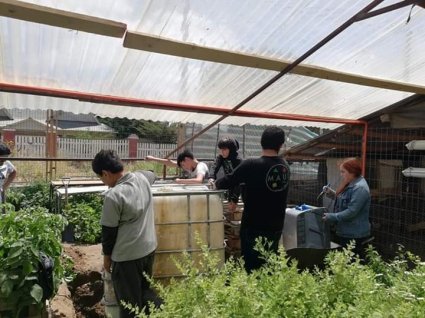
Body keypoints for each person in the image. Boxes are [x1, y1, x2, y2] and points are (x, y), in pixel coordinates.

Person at [92, 149, 161, 317]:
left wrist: (107, 259)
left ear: (106, 173)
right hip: (148, 249)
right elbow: (153, 174)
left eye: (101, 177)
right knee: (144, 294)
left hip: (127, 258)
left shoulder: (114, 196)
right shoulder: (142, 178)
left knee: (129, 305)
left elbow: (108, 233)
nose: (103, 181)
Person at [215, 126, 290, 273]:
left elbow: (228, 181)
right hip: (276, 226)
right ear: (281, 145)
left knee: (252, 267)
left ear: (261, 142)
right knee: (269, 263)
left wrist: (215, 183)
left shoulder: (251, 164)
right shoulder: (285, 166)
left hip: (254, 226)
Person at [322, 157, 371, 260]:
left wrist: (332, 217)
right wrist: (330, 193)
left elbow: (351, 212)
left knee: (352, 261)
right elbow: (342, 199)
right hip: (346, 230)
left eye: (343, 172)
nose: (341, 174)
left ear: (352, 172)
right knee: (346, 259)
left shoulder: (359, 188)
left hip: (354, 233)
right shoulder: (351, 184)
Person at [209, 137, 243, 212]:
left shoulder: (238, 161)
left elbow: (239, 181)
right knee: (229, 206)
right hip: (230, 183)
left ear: (231, 149)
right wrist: (211, 177)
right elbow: (215, 166)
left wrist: (234, 199)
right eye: (220, 149)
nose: (221, 152)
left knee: (234, 204)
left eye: (224, 149)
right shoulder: (221, 157)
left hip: (240, 186)